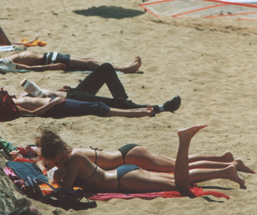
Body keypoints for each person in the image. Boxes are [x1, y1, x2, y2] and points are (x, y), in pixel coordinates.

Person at [37, 125, 250, 194]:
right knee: (177, 175)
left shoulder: (73, 159)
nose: (61, 164)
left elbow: (65, 192)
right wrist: (58, 171)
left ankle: (187, 143)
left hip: (123, 174)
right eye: (57, 163)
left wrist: (59, 178)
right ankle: (226, 166)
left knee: (180, 181)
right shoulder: (71, 157)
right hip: (124, 169)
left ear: (64, 149)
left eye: (61, 160)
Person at [39, 63, 181, 113]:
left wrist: (60, 89)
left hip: (72, 92)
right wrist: (53, 102)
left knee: (106, 67)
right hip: (73, 99)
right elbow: (33, 112)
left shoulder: (20, 95)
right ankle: (161, 108)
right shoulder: (19, 104)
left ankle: (123, 102)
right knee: (112, 103)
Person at [4, 50, 142, 73]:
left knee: (89, 60)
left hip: (52, 56)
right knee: (90, 64)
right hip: (51, 60)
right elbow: (20, 67)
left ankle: (123, 68)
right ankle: (125, 69)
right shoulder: (2, 65)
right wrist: (50, 67)